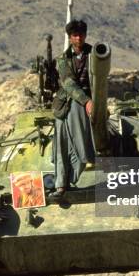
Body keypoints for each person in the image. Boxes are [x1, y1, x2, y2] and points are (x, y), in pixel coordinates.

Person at [50, 19, 95, 198]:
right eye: (75, 35)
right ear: (70, 38)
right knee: (61, 145)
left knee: (84, 143)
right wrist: (86, 102)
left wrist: (94, 102)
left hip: (87, 105)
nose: (78, 38)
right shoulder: (62, 59)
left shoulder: (94, 54)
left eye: (81, 34)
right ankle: (61, 184)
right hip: (65, 106)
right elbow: (68, 84)